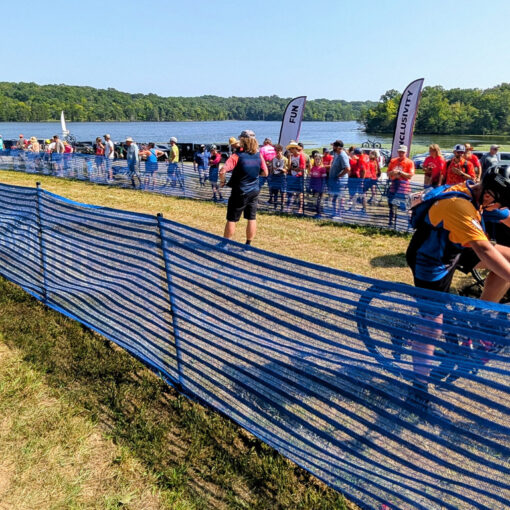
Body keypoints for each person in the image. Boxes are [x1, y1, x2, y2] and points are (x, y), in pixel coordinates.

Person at [406, 166, 510, 407]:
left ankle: (479, 319)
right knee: (432, 326)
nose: (499, 206)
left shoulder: (481, 195)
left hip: (456, 245)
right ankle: (418, 389)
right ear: (489, 195)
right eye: (500, 201)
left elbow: (508, 216)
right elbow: (484, 250)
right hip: (431, 260)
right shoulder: (459, 205)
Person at [219, 129, 268, 245]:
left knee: (232, 218)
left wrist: (223, 181)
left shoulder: (236, 156)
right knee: (251, 217)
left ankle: (225, 244)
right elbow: (265, 173)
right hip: (254, 191)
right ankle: (248, 244)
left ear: (241, 140)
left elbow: (222, 171)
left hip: (239, 191)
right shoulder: (259, 155)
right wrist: (254, 174)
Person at [386, 145, 415, 228]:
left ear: (406, 152)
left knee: (406, 206)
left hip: (404, 187)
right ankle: (391, 222)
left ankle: (410, 223)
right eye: (400, 152)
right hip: (394, 185)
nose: (401, 153)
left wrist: (400, 173)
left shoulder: (409, 162)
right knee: (391, 204)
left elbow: (410, 175)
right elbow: (388, 173)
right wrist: (393, 173)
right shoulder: (393, 161)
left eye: (402, 152)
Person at [327, 140, 350, 217]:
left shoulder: (342, 156)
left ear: (338, 147)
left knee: (338, 197)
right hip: (334, 180)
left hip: (340, 182)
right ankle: (335, 213)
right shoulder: (337, 153)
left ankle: (338, 214)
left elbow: (347, 168)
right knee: (334, 197)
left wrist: (339, 176)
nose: (333, 147)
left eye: (334, 146)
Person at [285, 141, 306, 214]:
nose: (290, 150)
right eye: (289, 149)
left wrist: (294, 169)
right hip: (292, 176)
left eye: (291, 149)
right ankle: (289, 207)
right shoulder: (291, 156)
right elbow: (289, 167)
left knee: (300, 193)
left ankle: (300, 208)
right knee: (290, 192)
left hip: (299, 177)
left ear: (295, 148)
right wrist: (289, 158)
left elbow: (302, 168)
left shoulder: (301, 156)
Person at [267, 143, 287, 211]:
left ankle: (282, 207)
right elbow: (272, 168)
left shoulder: (285, 159)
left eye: (279, 151)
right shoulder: (273, 159)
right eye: (276, 151)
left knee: (282, 192)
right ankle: (275, 206)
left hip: (282, 176)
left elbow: (287, 169)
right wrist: (271, 175)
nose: (277, 152)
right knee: (275, 191)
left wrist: (282, 170)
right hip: (274, 176)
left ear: (281, 151)